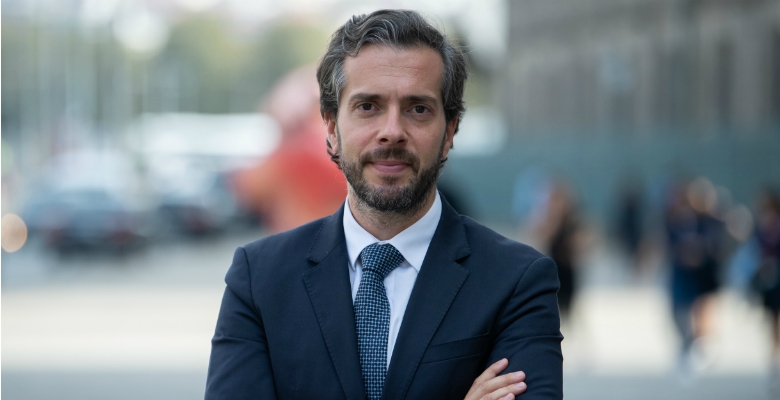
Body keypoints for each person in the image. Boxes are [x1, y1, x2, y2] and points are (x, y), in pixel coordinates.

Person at [205, 10, 563, 400]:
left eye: (418, 109)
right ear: (331, 128)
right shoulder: (258, 279)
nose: (392, 132)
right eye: (368, 107)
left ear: (449, 131)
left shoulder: (517, 281)